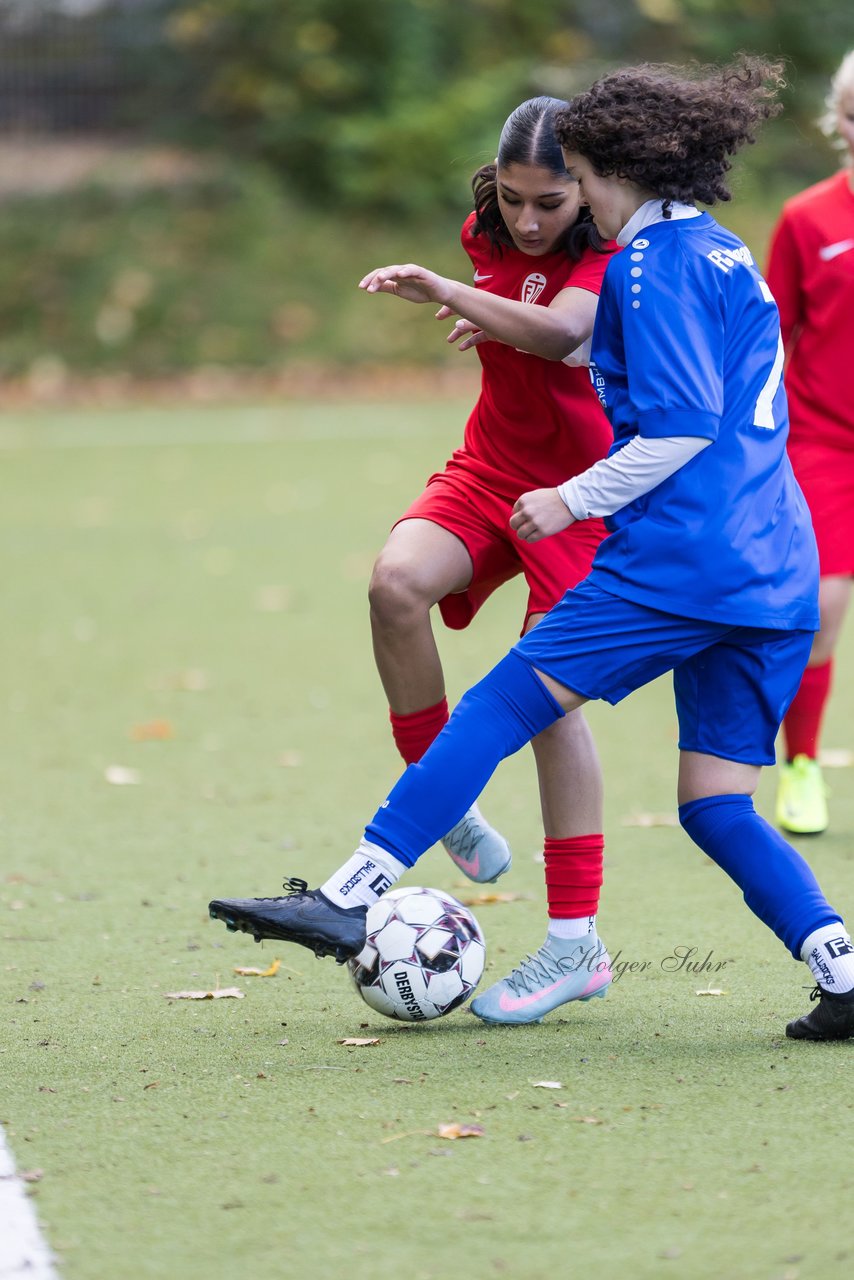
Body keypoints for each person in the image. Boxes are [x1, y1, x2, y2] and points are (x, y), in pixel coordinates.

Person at [210, 55, 854, 1042]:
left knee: (505, 701)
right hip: (774, 568)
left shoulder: (647, 263)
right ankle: (840, 967)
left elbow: (682, 425)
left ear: (614, 171)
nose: (573, 201)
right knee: (715, 805)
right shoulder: (723, 250)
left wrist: (570, 497)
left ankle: (348, 894)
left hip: (685, 559)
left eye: (578, 180)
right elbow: (618, 357)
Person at [356, 96, 615, 972]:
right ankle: (443, 795)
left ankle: (575, 943)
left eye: (550, 202)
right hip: (493, 466)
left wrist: (455, 294)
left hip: (582, 495)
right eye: (511, 198)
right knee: (394, 586)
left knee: (547, 700)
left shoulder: (616, 247)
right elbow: (522, 309)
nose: (528, 220)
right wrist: (492, 309)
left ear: (588, 188)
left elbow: (566, 327)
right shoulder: (486, 234)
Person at [766, 49, 854, 837]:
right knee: (821, 604)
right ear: (841, 122)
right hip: (824, 438)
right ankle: (800, 763)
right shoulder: (807, 218)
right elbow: (772, 339)